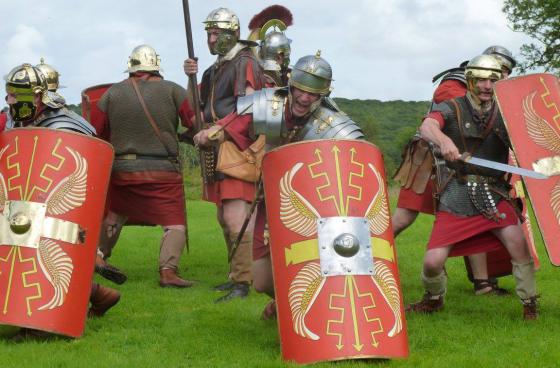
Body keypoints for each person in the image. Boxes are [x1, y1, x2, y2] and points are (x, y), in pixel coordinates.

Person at [199, 52, 362, 317]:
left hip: (314, 209)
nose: (305, 98)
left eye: (313, 94)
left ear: (322, 95)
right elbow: (234, 124)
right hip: (272, 201)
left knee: (315, 264)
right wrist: (212, 134)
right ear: (291, 85)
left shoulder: (332, 123)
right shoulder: (269, 104)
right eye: (300, 90)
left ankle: (318, 312)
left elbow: (357, 160)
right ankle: (287, 302)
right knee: (262, 281)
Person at [406, 55, 538, 320]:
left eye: (493, 79)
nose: (487, 86)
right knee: (432, 263)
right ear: (470, 81)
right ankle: (433, 299)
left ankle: (529, 305)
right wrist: (443, 141)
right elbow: (428, 125)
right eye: (481, 80)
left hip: (495, 195)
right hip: (458, 194)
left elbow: (530, 142)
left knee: (519, 247)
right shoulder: (453, 107)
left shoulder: (507, 111)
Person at [4, 63, 120, 339]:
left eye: (14, 96)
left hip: (59, 209)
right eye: (8, 95)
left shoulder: (64, 126)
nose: (9, 101)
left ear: (35, 96)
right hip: (27, 208)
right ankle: (100, 294)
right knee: (18, 250)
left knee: (38, 259)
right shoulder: (23, 120)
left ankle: (35, 325)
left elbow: (81, 166)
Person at [392, 45, 517, 295]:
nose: (500, 79)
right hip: (430, 160)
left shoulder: (494, 94)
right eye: (500, 71)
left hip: (465, 165)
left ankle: (483, 283)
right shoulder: (454, 84)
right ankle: (364, 256)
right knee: (405, 217)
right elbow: (451, 120)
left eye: (504, 74)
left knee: (476, 211)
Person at [183, 7, 266, 302]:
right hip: (219, 146)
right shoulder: (213, 69)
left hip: (238, 146)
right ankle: (237, 276)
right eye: (208, 32)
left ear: (232, 34)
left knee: (235, 216)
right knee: (224, 216)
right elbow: (198, 111)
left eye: (216, 33)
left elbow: (248, 108)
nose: (210, 38)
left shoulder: (245, 63)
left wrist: (216, 130)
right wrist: (190, 79)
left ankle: (244, 282)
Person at [96, 45, 194, 288]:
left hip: (123, 172)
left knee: (115, 215)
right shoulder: (173, 89)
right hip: (163, 172)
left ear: (131, 68)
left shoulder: (112, 94)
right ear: (156, 67)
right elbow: (193, 122)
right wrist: (185, 136)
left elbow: (99, 134)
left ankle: (97, 256)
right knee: (174, 222)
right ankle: (168, 272)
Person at [35, 58, 127, 285]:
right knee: (65, 236)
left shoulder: (51, 119)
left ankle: (94, 276)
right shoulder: (72, 116)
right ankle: (97, 278)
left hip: (49, 186)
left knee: (48, 239)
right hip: (69, 187)